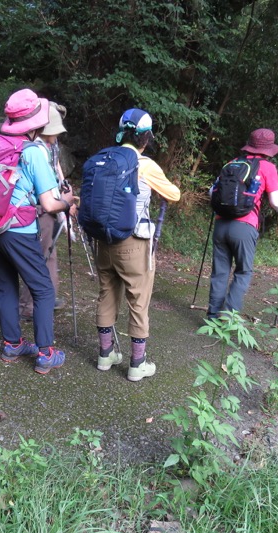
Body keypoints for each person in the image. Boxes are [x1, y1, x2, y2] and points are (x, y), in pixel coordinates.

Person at [0, 89, 75, 374]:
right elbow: (49, 203)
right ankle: (46, 352)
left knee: (5, 287)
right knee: (43, 289)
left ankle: (12, 345)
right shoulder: (33, 151)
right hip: (18, 228)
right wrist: (69, 202)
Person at [94, 108, 181, 382]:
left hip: (103, 240)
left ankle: (105, 356)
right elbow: (174, 194)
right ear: (146, 138)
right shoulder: (145, 165)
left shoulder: (104, 158)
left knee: (107, 293)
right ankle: (136, 364)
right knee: (138, 300)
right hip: (133, 243)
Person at [206, 128, 278, 320]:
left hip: (221, 223)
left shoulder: (231, 163)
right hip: (245, 226)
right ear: (269, 149)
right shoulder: (267, 168)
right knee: (243, 271)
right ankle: (228, 315)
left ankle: (213, 315)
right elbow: (275, 202)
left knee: (220, 272)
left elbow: (211, 192)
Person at [18, 102, 71, 321]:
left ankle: (46, 299)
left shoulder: (50, 145)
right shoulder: (34, 149)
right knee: (39, 257)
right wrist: (63, 203)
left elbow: (56, 167)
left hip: (48, 208)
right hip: (39, 210)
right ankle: (28, 306)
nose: (57, 134)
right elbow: (43, 189)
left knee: (48, 253)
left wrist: (63, 184)